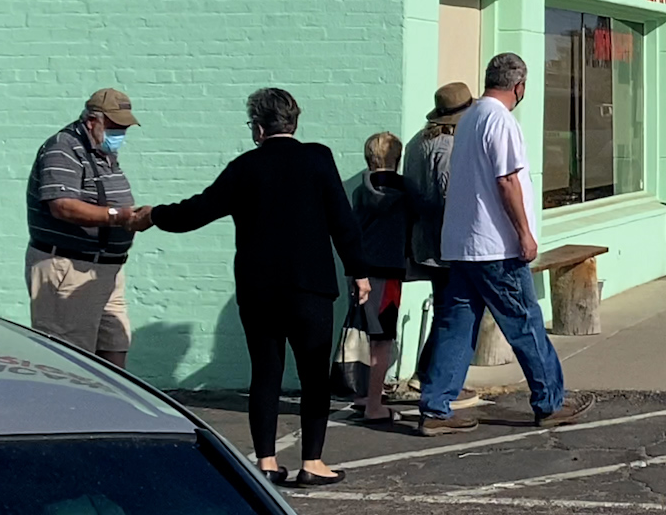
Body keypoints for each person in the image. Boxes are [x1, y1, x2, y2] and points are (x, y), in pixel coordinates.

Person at [139, 88, 369, 488]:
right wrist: (358, 271)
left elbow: (198, 210)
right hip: (309, 286)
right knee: (314, 375)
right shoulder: (318, 158)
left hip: (258, 287)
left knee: (265, 372)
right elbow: (341, 220)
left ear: (259, 128)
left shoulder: (245, 167)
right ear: (293, 122)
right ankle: (312, 462)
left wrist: (153, 215)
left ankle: (266, 460)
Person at [415, 54, 591, 435]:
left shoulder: (470, 119)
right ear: (519, 86)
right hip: (495, 246)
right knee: (525, 323)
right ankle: (550, 401)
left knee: (457, 325)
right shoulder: (500, 120)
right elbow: (507, 180)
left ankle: (436, 406)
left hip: (462, 244)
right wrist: (525, 233)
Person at [25, 88, 149, 368]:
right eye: (115, 126)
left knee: (114, 345)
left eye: (124, 128)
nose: (120, 134)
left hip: (105, 268)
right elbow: (63, 205)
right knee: (68, 359)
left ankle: (112, 408)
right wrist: (118, 216)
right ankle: (65, 410)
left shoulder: (100, 151)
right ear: (92, 120)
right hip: (69, 267)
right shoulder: (63, 148)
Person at [405, 82, 470, 381]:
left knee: (446, 310)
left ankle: (428, 374)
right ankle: (432, 376)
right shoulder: (448, 145)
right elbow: (447, 194)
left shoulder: (416, 142)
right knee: (451, 314)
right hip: (445, 240)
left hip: (423, 239)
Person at [350, 131, 410, 424]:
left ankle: (364, 393)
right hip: (389, 272)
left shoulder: (360, 191)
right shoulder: (406, 191)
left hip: (363, 270)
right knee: (383, 341)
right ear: (397, 159)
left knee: (364, 335)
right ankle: (374, 404)